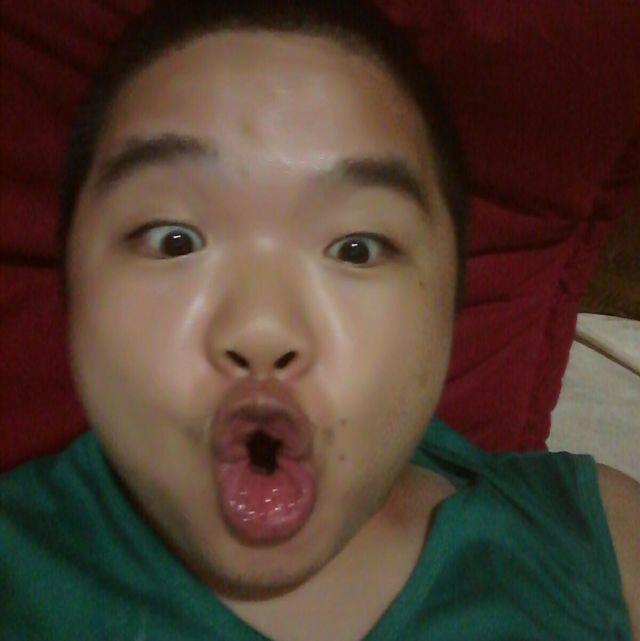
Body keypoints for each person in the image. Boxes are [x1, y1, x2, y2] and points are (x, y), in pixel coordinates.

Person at [1, 0, 638, 639]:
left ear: (450, 304)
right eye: (173, 241)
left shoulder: (601, 543)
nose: (262, 330)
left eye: (356, 249)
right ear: (71, 285)